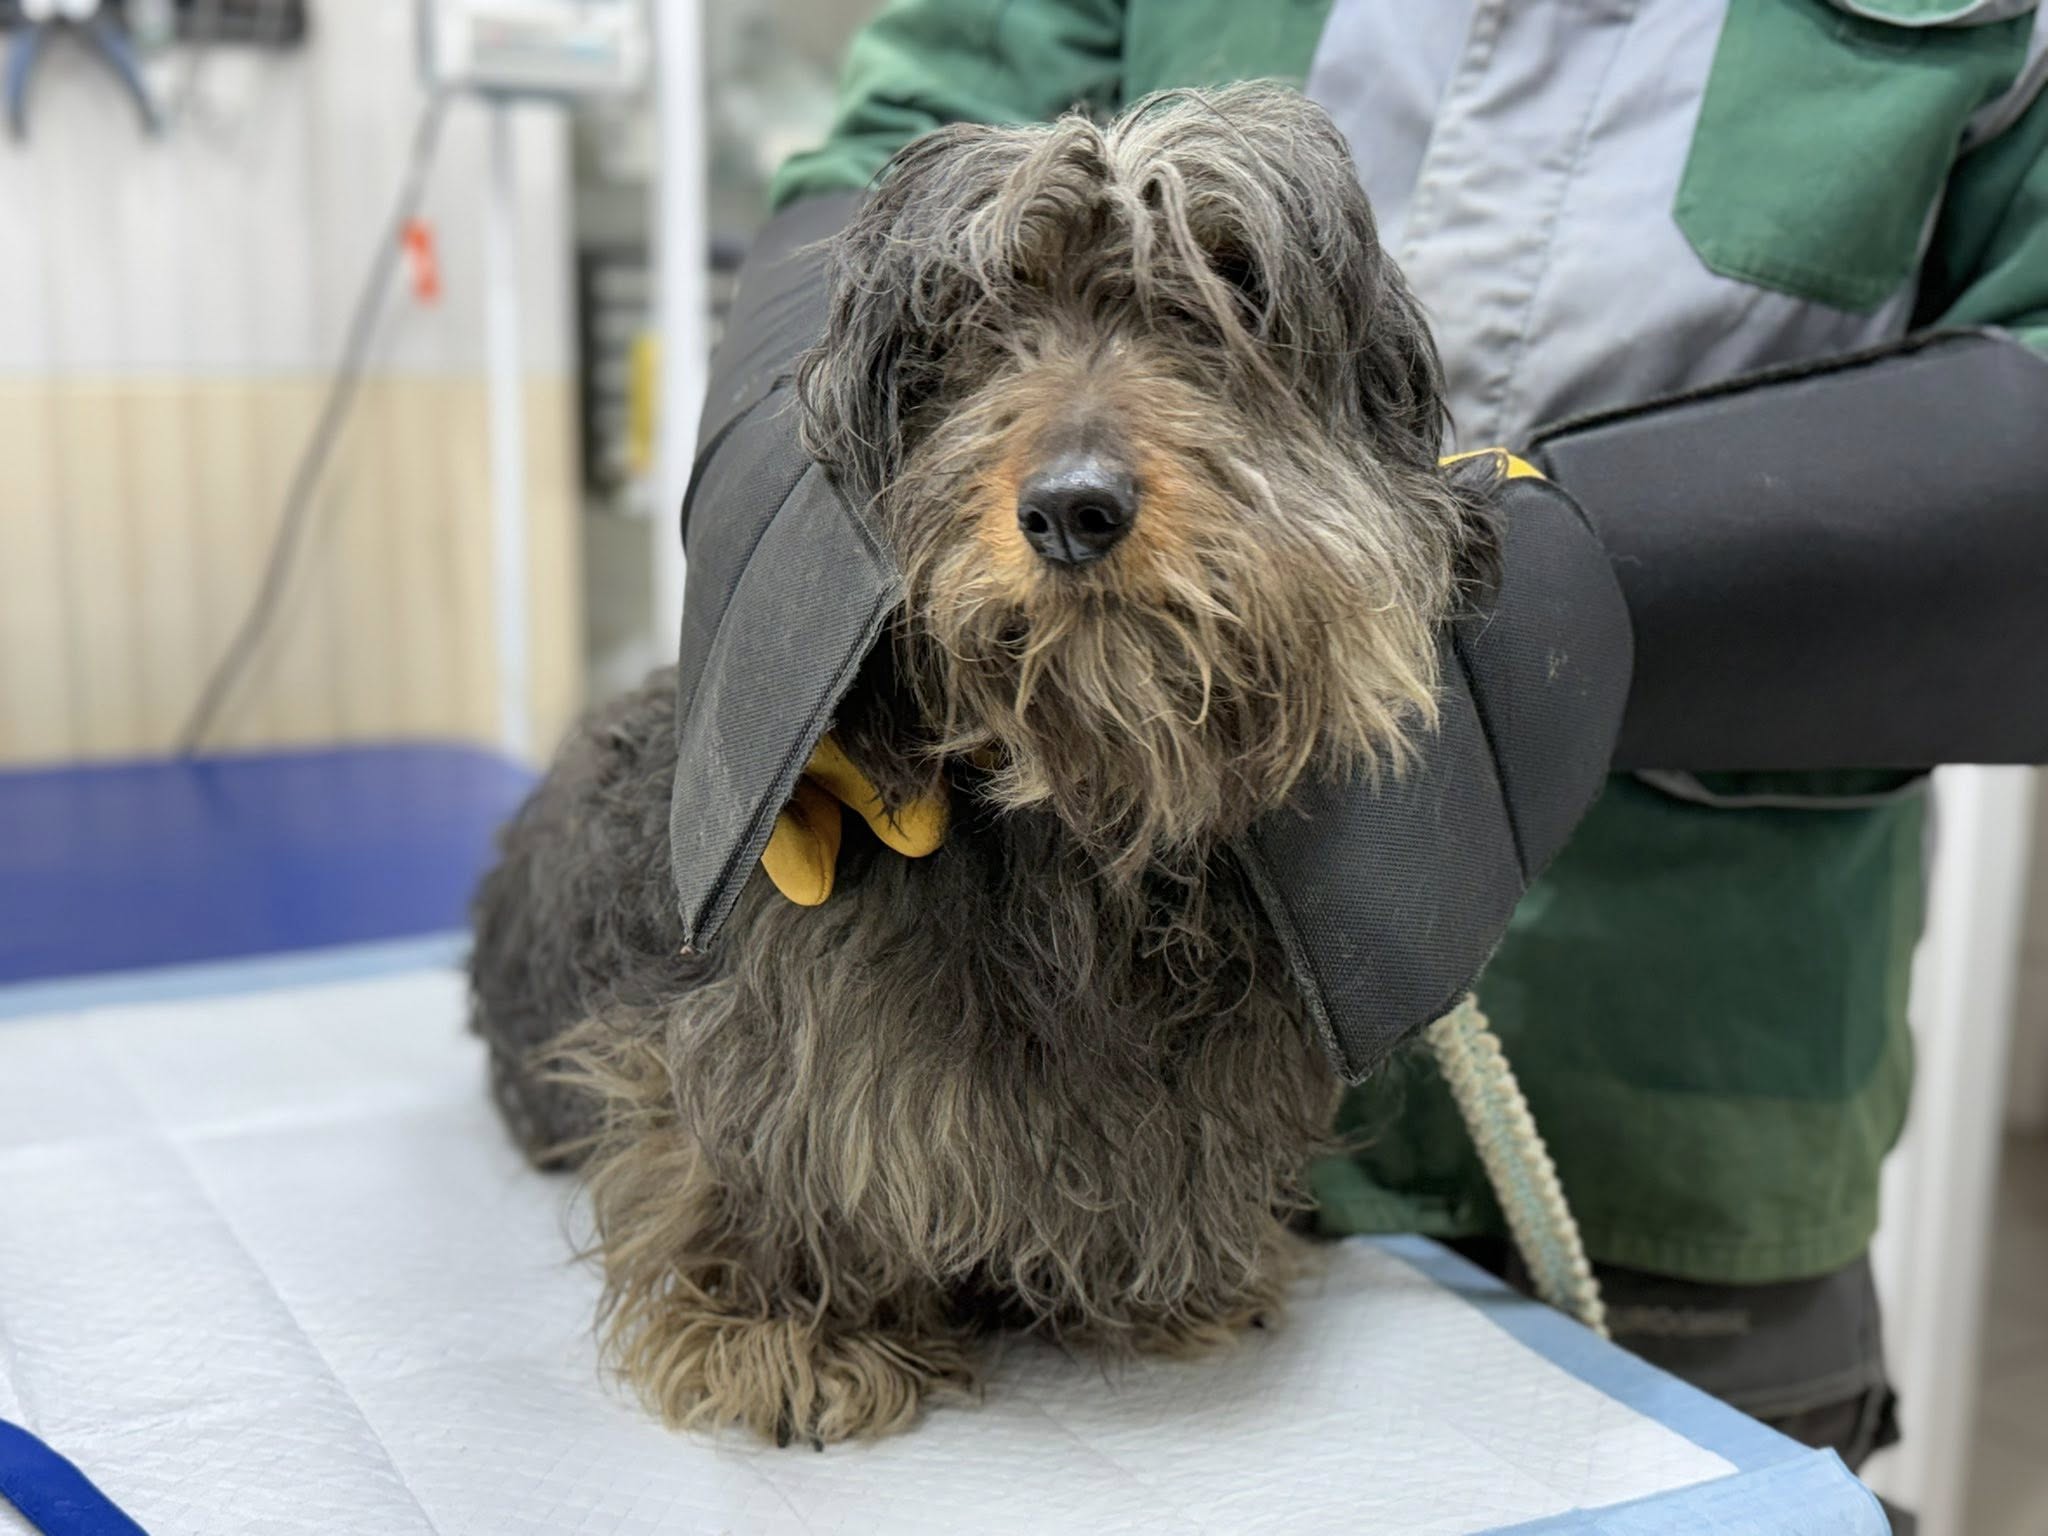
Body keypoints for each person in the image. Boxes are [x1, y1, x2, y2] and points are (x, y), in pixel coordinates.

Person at [719, 0, 2048, 1469]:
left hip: (1673, 1118)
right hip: (1047, 1091)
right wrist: (800, 568)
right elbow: (886, 188)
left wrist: (1559, 597)